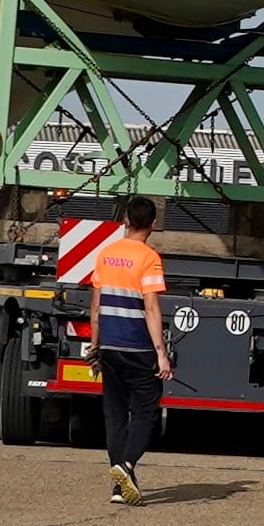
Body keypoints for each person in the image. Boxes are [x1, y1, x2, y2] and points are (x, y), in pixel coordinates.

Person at [67, 196, 178, 506]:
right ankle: (126, 464)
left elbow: (96, 304)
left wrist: (95, 345)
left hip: (110, 345)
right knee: (148, 411)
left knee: (115, 415)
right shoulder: (149, 258)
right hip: (138, 345)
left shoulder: (106, 254)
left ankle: (119, 488)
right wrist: (161, 353)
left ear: (126, 221)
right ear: (153, 224)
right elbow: (152, 307)